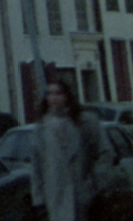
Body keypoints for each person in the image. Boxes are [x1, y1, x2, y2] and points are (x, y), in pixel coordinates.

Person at [33, 79, 107, 221]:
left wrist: (95, 185)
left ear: (67, 96)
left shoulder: (86, 121)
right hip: (56, 197)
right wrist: (39, 199)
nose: (53, 98)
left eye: (58, 93)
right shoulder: (42, 127)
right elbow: (37, 167)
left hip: (84, 196)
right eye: (50, 93)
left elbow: (104, 153)